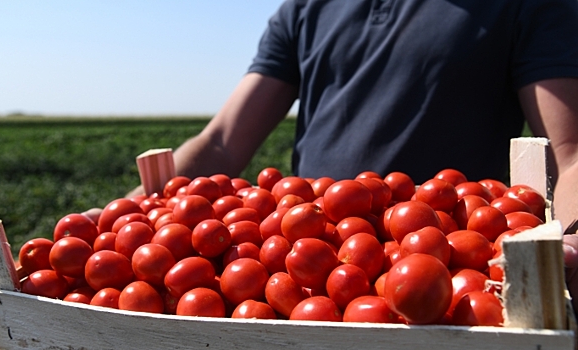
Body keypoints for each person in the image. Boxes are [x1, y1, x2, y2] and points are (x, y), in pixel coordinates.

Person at [96, 0, 578, 311]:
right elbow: (222, 141)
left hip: (447, 274)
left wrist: (572, 237)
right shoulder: (307, 8)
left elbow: (569, 151)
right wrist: (123, 219)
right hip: (304, 266)